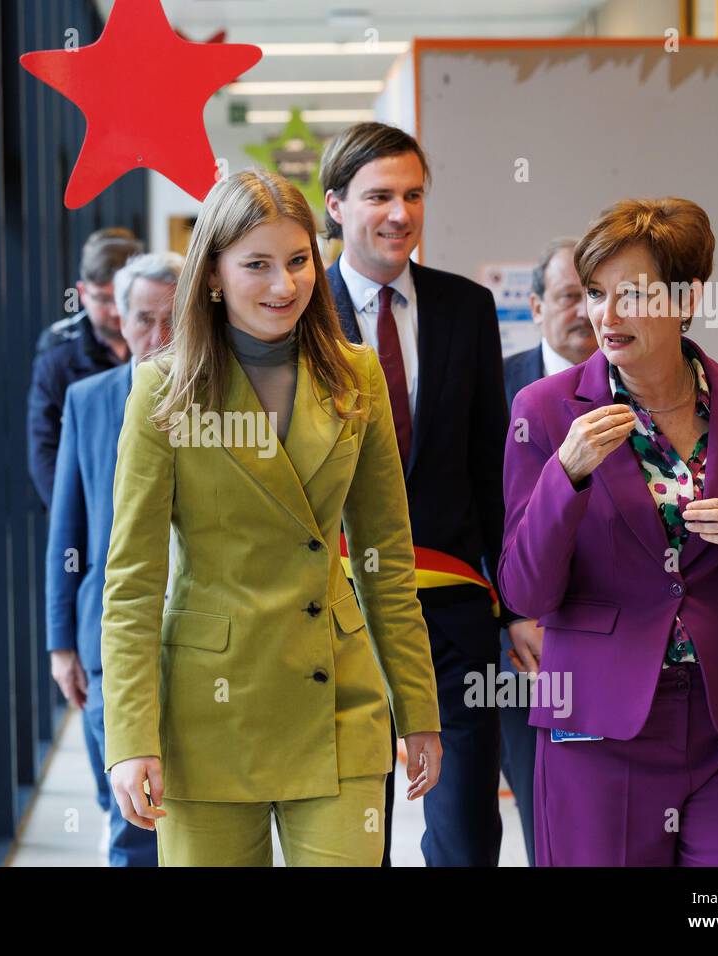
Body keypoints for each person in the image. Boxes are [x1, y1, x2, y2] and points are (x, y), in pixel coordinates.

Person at [100, 169, 442, 867]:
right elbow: (134, 582)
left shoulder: (356, 374)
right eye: (257, 264)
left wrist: (419, 711)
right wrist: (130, 737)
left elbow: (386, 559)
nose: (284, 286)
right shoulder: (161, 390)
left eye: (297, 261)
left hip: (338, 702)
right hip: (207, 712)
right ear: (216, 275)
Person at [499, 197, 718, 866]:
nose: (605, 317)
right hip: (599, 725)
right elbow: (525, 588)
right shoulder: (546, 411)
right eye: (595, 294)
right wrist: (567, 476)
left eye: (632, 295)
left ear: (685, 297)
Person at [321, 121, 518, 866]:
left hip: (452, 608)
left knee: (467, 833)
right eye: (379, 196)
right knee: (353, 832)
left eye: (412, 194)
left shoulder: (465, 308)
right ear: (336, 205)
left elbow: (489, 466)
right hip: (337, 613)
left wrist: (517, 604)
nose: (400, 213)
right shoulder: (299, 317)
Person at [46, 252, 182, 867]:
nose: (158, 337)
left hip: (199, 632)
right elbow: (66, 527)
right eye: (143, 319)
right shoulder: (89, 400)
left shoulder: (227, 404)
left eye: (172, 319)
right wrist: (60, 644)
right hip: (108, 638)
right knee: (130, 818)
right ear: (118, 324)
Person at [497, 236, 596, 866]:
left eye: (598, 294)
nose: (586, 311)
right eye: (569, 296)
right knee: (543, 812)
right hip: (522, 639)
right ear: (535, 305)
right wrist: (511, 614)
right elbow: (480, 510)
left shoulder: (639, 384)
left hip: (617, 630)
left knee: (612, 811)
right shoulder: (501, 390)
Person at [27, 228, 142, 508]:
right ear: (81, 292)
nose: (115, 311)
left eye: (122, 298)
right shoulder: (58, 352)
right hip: (87, 504)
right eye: (104, 299)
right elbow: (44, 450)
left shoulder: (163, 341)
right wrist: (71, 521)